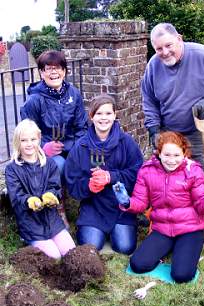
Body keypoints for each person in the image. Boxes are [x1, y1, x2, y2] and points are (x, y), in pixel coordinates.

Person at [113, 131, 204, 283]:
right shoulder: (147, 171)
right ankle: (172, 248)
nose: (171, 160)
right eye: (167, 155)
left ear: (184, 153)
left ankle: (187, 251)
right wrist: (127, 202)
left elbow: (201, 206)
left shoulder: (193, 171)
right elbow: (141, 203)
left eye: (176, 155)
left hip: (189, 229)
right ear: (159, 153)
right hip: (163, 229)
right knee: (137, 265)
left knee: (181, 275)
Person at [142, 22, 204, 167]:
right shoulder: (153, 66)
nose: (165, 52)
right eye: (159, 49)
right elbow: (149, 101)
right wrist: (154, 130)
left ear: (179, 39)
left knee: (197, 175)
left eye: (169, 45)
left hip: (200, 130)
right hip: (168, 131)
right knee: (168, 178)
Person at [65, 94, 143, 254]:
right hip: (94, 206)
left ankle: (119, 230)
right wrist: (88, 186)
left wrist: (111, 177)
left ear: (115, 115)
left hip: (121, 206)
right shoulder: (81, 146)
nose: (104, 118)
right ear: (91, 116)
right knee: (91, 246)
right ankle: (96, 230)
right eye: (99, 113)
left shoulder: (126, 142)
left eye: (108, 113)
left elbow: (138, 175)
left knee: (125, 247)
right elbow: (72, 183)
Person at [20, 50, 88, 227]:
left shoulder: (74, 93)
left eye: (57, 68)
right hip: (47, 152)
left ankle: (88, 207)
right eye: (48, 69)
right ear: (41, 73)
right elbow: (26, 133)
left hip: (72, 146)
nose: (53, 72)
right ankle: (58, 208)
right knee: (58, 165)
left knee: (91, 160)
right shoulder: (34, 100)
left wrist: (78, 149)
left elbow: (82, 126)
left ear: (64, 71)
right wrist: (42, 148)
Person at [5, 119, 76, 259]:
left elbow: (55, 186)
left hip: (52, 220)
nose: (29, 144)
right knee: (55, 257)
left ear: (39, 139)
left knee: (70, 252)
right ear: (17, 142)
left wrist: (51, 195)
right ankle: (29, 243)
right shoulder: (12, 169)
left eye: (33, 139)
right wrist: (28, 200)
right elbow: (15, 196)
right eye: (24, 140)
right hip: (31, 225)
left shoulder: (49, 163)